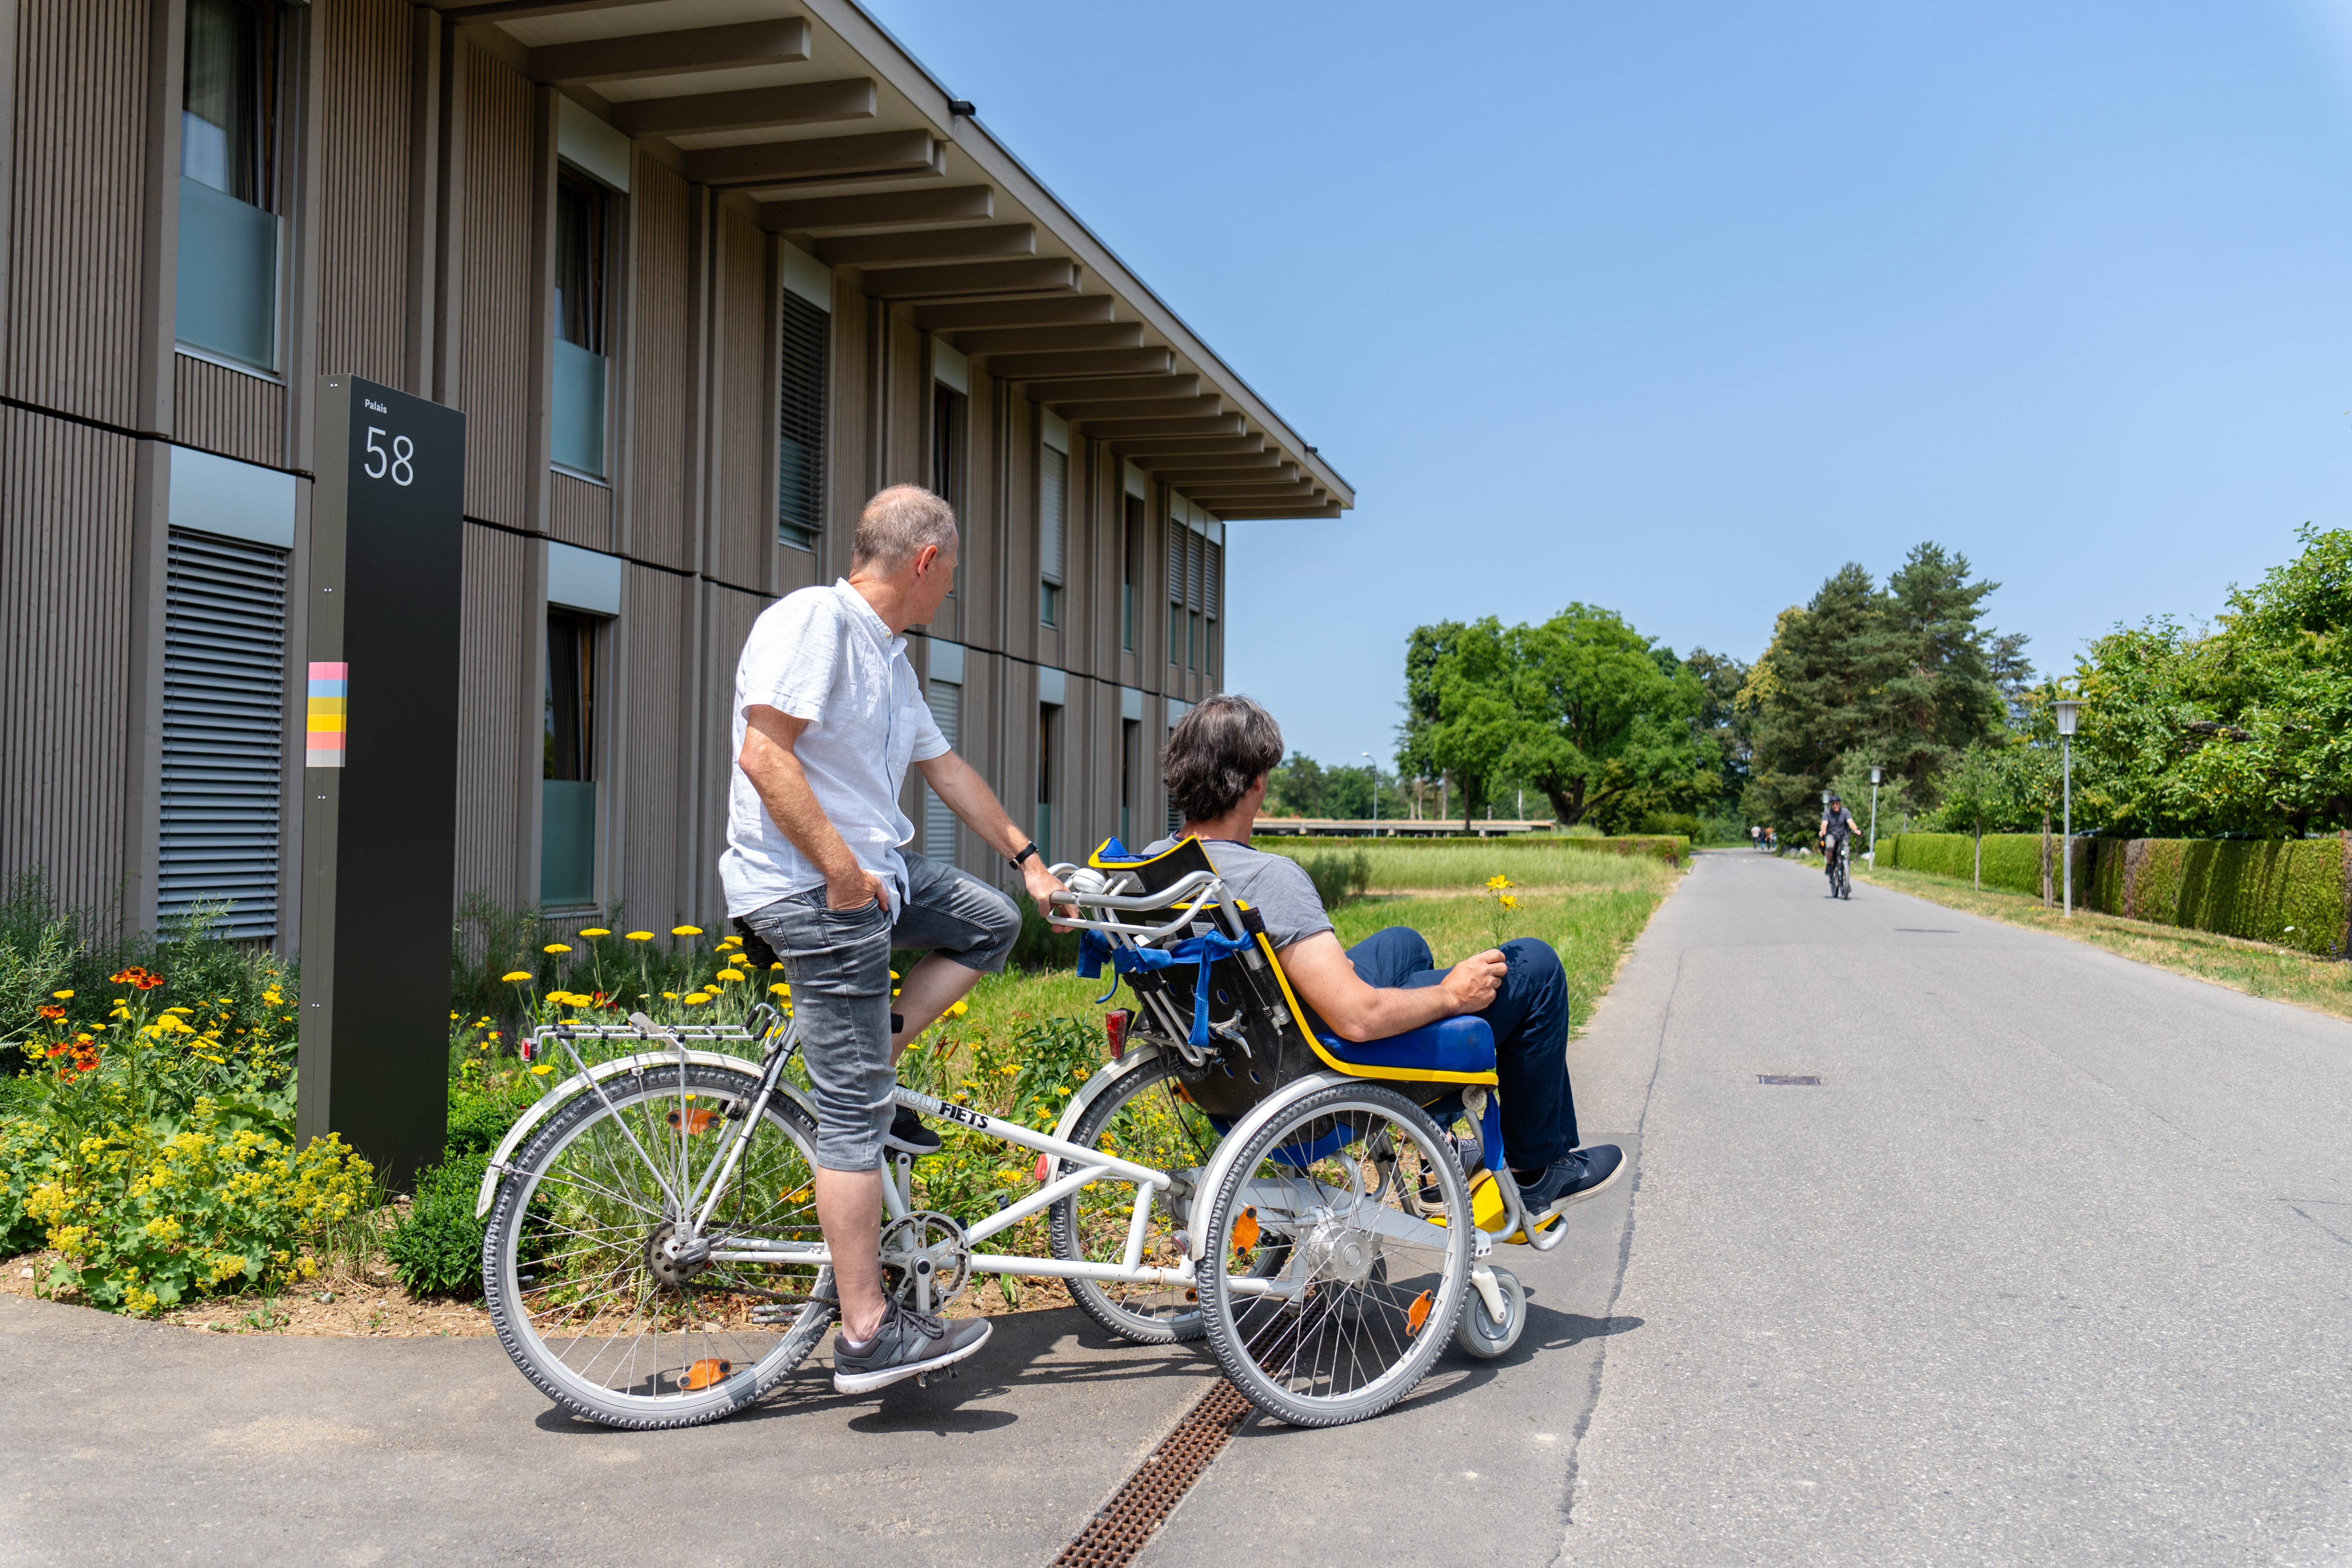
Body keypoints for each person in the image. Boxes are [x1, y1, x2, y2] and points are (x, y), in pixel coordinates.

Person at [726, 484, 1068, 1396]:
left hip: (875, 885)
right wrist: (840, 872)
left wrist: (1027, 859)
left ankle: (878, 1051)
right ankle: (869, 1332)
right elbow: (765, 755)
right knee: (851, 1115)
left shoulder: (890, 658)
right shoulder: (815, 623)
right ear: (924, 562)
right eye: (950, 572)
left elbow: (944, 767)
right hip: (816, 891)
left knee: (988, 920)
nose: (950, 588)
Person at [1139, 695, 1623, 1219]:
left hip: (1233, 1066)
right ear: (1256, 781)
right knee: (1536, 966)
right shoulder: (1268, 879)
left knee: (1401, 943)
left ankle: (1440, 1144)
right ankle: (1538, 1167)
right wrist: (1450, 995)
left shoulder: (1152, 867)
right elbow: (1357, 1017)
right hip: (1309, 1077)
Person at [1819, 794, 1862, 885]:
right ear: (1831, 805)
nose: (1835, 806)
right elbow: (1824, 824)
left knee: (1846, 857)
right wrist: (1823, 831)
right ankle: (1829, 864)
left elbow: (1851, 822)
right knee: (1829, 846)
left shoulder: (1845, 812)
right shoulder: (1828, 813)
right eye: (1833, 804)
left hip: (1844, 836)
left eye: (1837, 804)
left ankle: (1847, 882)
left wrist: (1856, 830)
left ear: (1840, 804)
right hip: (1832, 835)